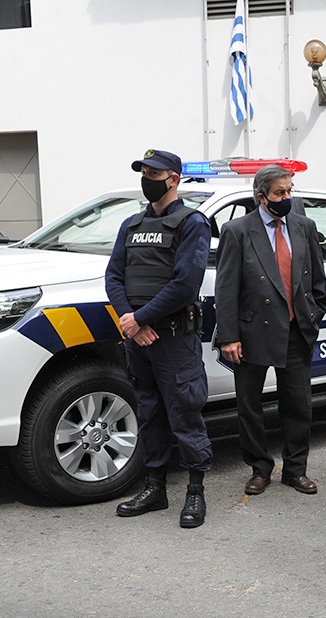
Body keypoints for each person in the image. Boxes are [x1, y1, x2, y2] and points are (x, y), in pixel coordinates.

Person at [105, 149, 212, 529]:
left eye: (155, 172)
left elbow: (185, 284)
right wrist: (130, 320)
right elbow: (113, 276)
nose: (147, 177)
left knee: (185, 413)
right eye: (144, 171)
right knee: (149, 414)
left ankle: (195, 492)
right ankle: (155, 488)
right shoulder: (131, 225)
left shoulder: (192, 222)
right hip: (140, 338)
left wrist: (140, 319)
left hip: (172, 338)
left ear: (174, 179)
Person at [214, 164, 326, 497]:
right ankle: (259, 468)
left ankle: (295, 470)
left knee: (298, 404)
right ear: (261, 196)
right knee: (249, 406)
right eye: (280, 193)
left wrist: (314, 314)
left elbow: (316, 279)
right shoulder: (237, 231)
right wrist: (229, 336)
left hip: (295, 331)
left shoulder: (304, 226)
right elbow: (226, 288)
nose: (287, 198)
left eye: (290, 191)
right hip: (251, 334)